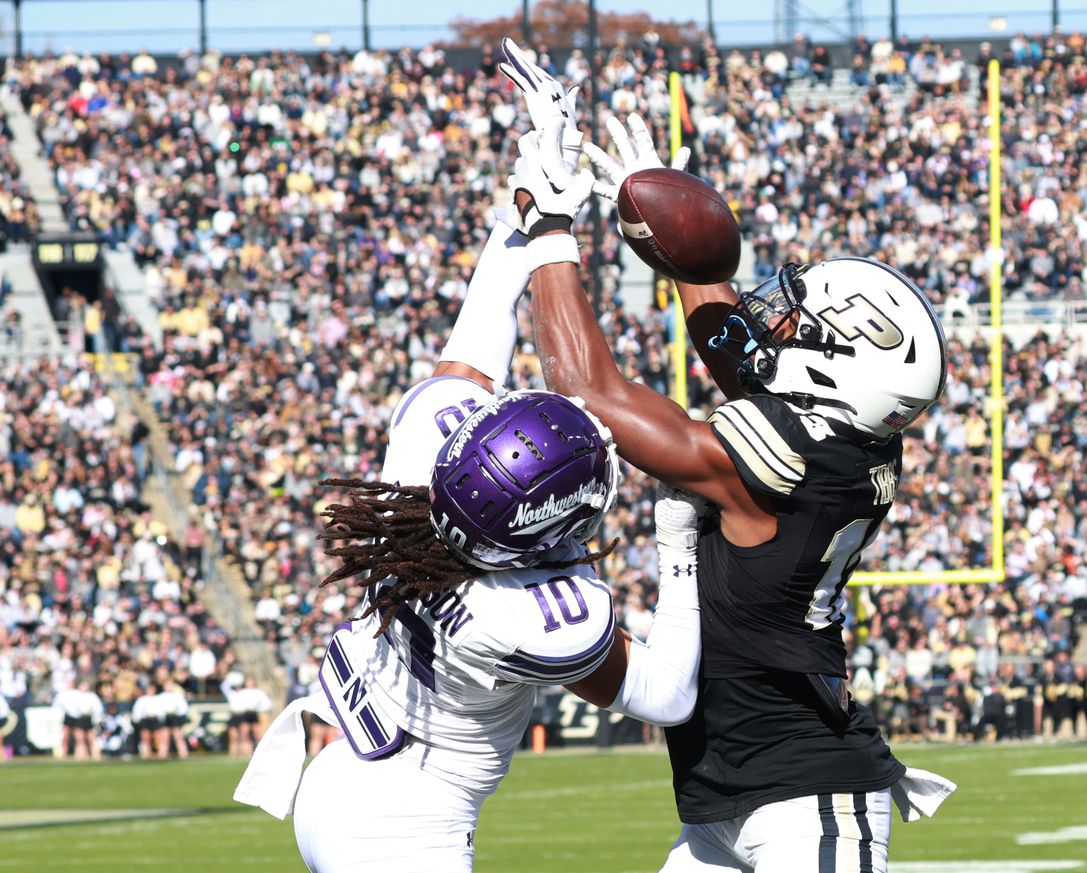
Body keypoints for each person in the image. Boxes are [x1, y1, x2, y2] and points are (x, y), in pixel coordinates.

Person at [501, 39, 953, 873]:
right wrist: (681, 244)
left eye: (800, 324)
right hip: (729, 794)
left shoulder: (789, 459)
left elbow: (588, 390)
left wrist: (551, 226)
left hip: (805, 795)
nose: (772, 319)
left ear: (835, 366)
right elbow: (738, 346)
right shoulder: (842, 438)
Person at [235, 88, 706, 868]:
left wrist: (531, 204)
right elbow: (667, 695)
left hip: (338, 777)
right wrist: (678, 547)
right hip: (404, 827)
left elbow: (476, 335)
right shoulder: (532, 614)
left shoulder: (423, 486)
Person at [52, 680, 103, 760]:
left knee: (90, 738)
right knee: (79, 739)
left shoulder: (90, 696)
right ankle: (79, 756)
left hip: (86, 719)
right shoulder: (72, 694)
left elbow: (97, 710)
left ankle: (95, 756)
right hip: (77, 719)